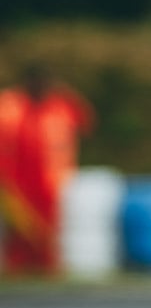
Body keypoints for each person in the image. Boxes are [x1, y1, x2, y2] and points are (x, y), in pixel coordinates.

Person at [0, 64, 94, 275]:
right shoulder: (9, 104)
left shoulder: (60, 106)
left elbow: (86, 122)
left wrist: (68, 93)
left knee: (48, 228)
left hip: (50, 180)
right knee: (19, 227)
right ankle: (17, 268)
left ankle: (47, 268)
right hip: (15, 181)